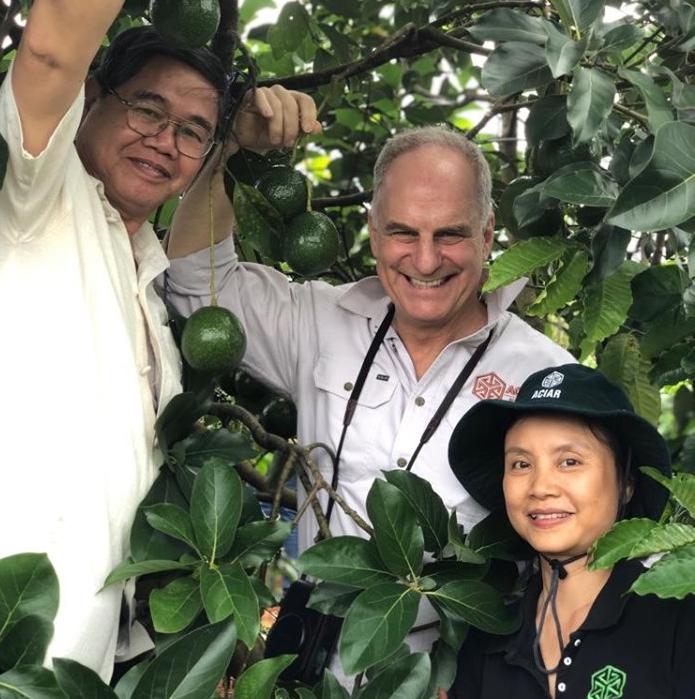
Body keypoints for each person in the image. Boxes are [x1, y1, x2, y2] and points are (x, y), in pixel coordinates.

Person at [0, 0, 318, 691]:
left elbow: (203, 253)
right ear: (97, 97)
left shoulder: (150, 285)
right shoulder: (30, 198)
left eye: (192, 133)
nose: (168, 142)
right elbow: (51, 48)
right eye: (147, 110)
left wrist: (232, 146)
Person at [167, 127, 575, 560]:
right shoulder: (320, 322)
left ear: (487, 235)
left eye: (449, 235)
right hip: (321, 623)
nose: (425, 260)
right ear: (374, 233)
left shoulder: (545, 376)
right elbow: (194, 279)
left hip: (475, 628)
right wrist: (236, 145)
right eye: (403, 233)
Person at [443, 363, 695, 699]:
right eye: (521, 464)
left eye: (570, 462)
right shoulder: (489, 637)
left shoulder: (678, 617)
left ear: (626, 482)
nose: (541, 486)